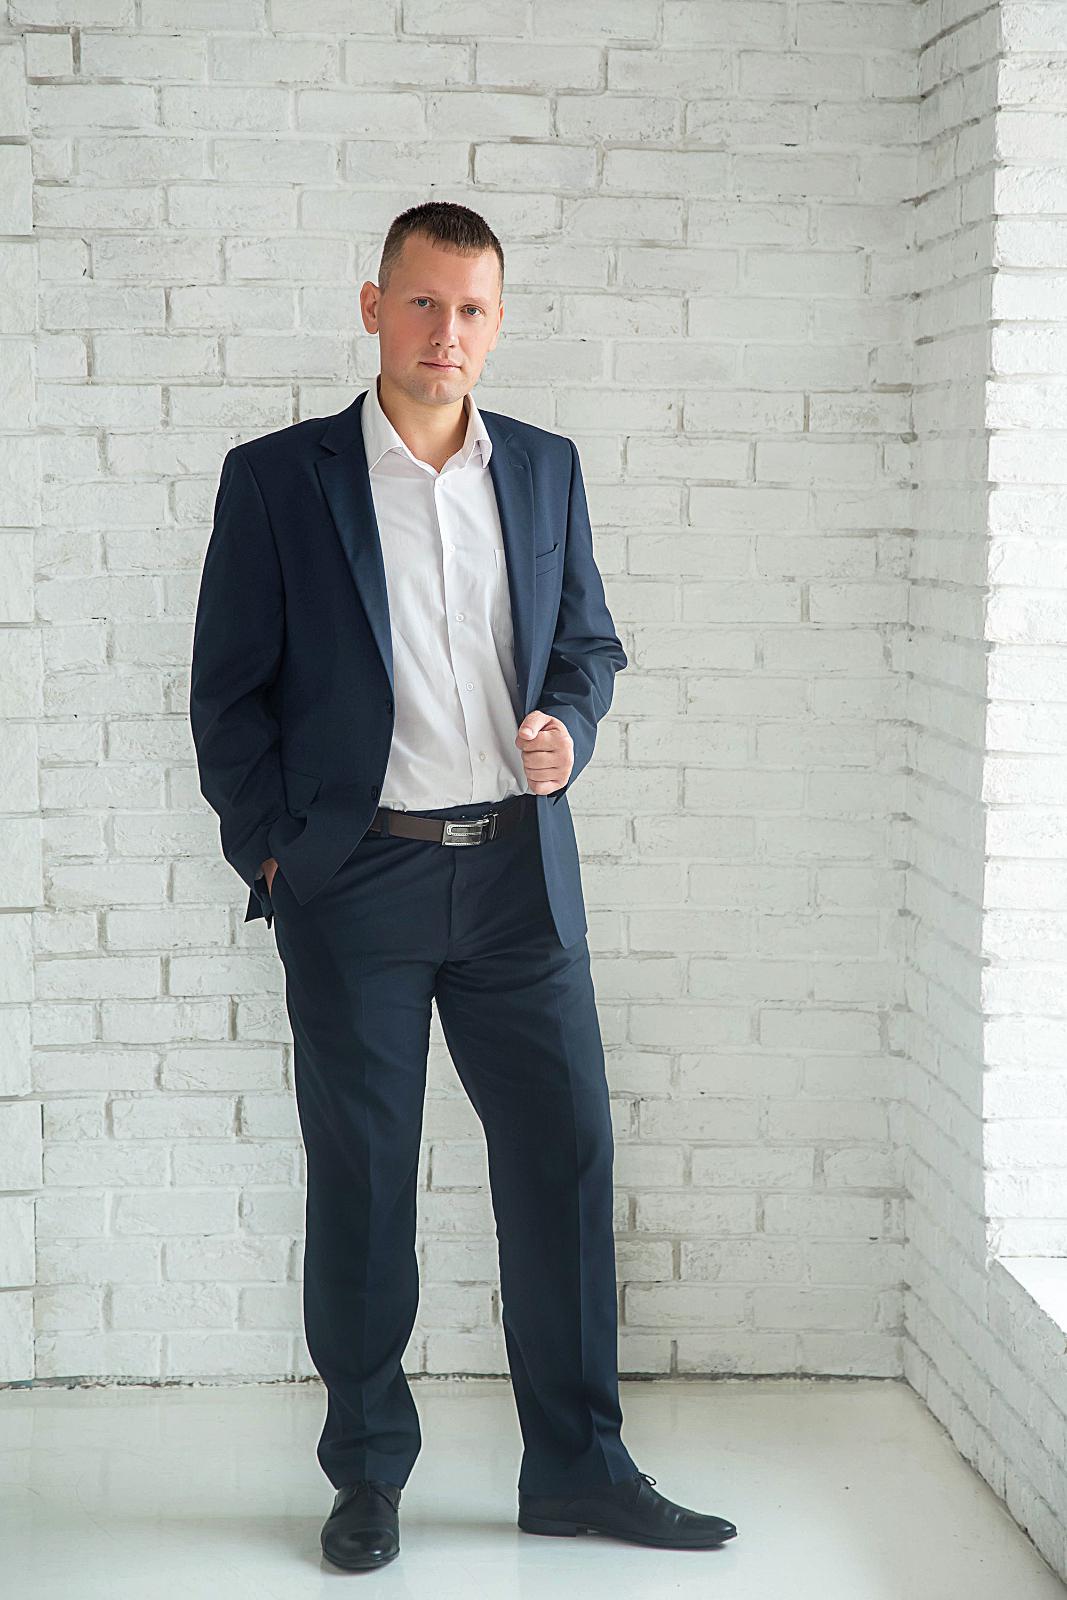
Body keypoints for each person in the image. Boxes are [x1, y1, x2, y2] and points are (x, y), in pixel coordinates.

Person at [189, 200, 738, 1572]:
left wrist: (570, 726)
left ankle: (579, 1472)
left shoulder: (544, 468)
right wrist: (275, 854)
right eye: (425, 302)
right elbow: (227, 694)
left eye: (475, 308)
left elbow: (588, 644)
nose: (450, 332)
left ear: (500, 321)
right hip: (355, 880)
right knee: (366, 1182)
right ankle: (368, 1474)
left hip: (516, 883)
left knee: (564, 1160)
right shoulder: (280, 479)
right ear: (374, 308)